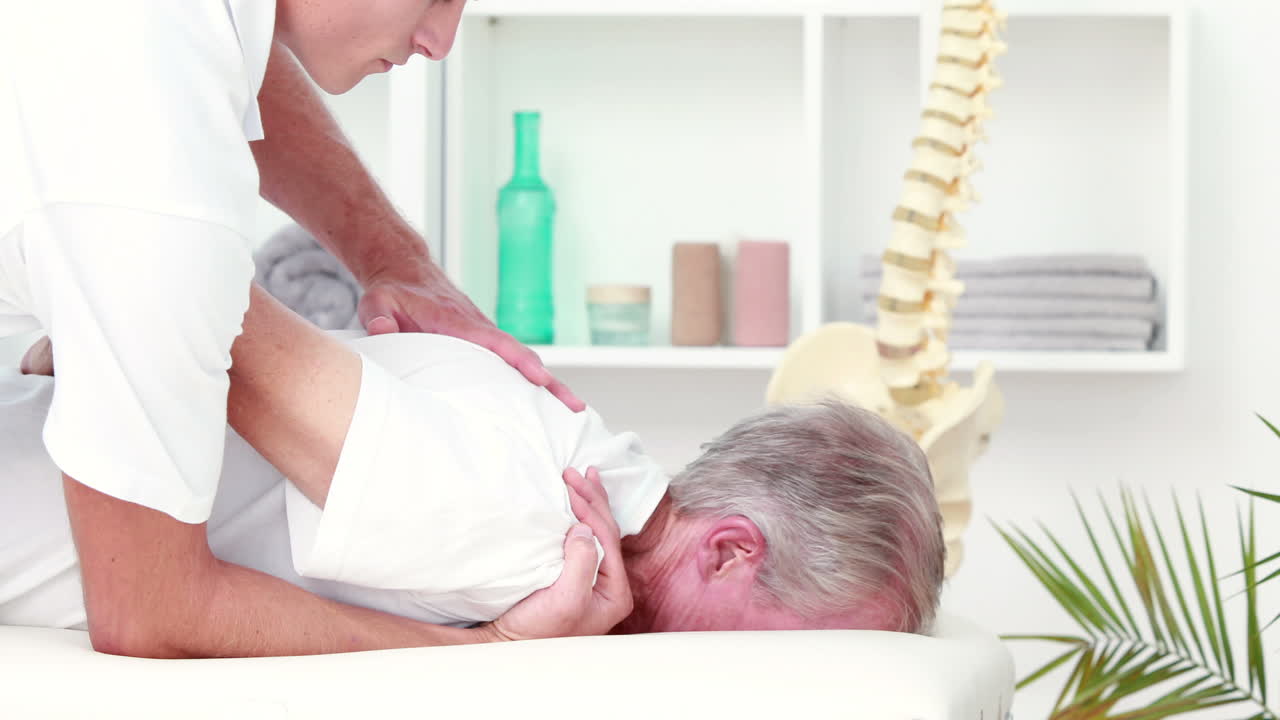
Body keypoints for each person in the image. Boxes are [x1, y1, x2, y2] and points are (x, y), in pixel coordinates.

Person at [0, 0, 606, 659]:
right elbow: (149, 613)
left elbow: (236, 56)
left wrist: (394, 255)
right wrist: (487, 642)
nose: (442, 41)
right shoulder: (150, 168)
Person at [5, 288, 945, 638]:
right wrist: (489, 659)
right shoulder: (532, 529)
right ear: (731, 551)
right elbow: (170, 293)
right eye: (807, 650)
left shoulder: (570, 466)